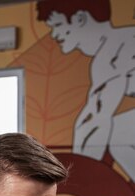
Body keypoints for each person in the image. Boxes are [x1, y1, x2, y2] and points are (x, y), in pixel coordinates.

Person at [38, 0, 135, 181]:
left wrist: (78, 178)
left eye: (58, 25)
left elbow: (96, 116)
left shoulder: (113, 50)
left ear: (80, 19)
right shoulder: (119, 43)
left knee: (117, 134)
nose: (55, 34)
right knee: (120, 133)